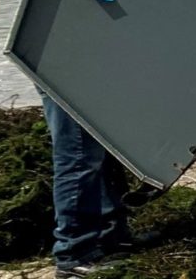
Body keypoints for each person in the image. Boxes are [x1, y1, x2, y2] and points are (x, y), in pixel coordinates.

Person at [41, 95, 137, 276]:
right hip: (66, 75)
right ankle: (75, 252)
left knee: (100, 151)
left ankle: (111, 237)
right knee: (78, 156)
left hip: (80, 73)